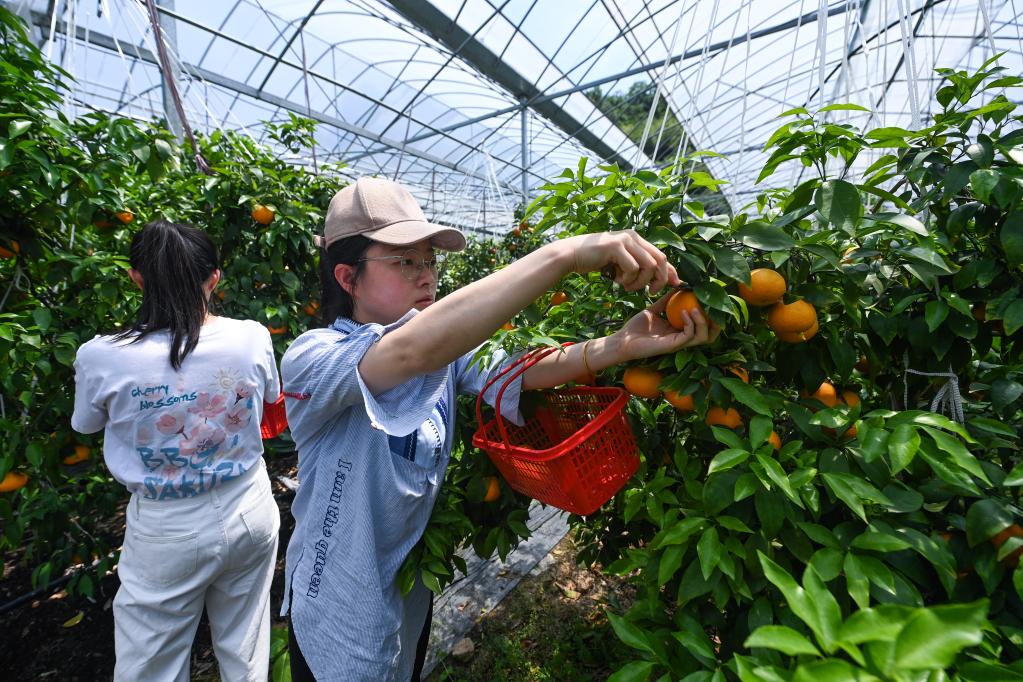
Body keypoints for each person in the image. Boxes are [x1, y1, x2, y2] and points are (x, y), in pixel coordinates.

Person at [281, 177, 718, 681]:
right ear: (347, 277)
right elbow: (412, 350)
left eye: (429, 261)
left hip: (403, 583)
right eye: (406, 261)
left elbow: (518, 370)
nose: (427, 276)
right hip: (336, 593)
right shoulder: (314, 359)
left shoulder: (443, 353)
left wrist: (620, 345)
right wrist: (562, 255)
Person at [71, 220, 282, 681]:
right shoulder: (251, 336)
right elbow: (269, 401)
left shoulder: (101, 355)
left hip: (168, 526)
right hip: (249, 506)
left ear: (136, 278)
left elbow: (86, 424)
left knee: (151, 666)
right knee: (246, 649)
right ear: (214, 279)